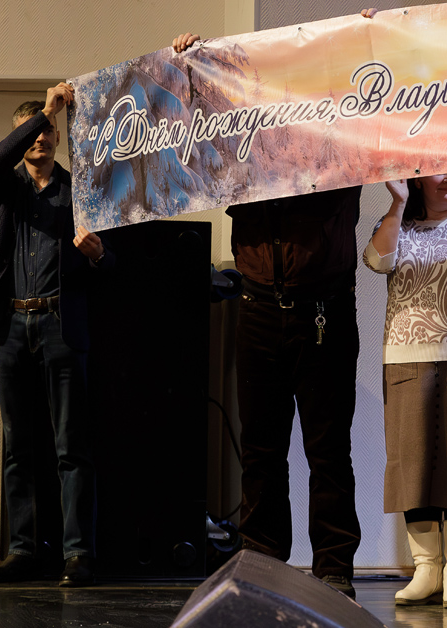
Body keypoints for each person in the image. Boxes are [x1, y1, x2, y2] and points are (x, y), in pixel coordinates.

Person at [171, 33, 362, 596]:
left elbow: (371, 107)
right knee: (260, 450)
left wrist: (369, 45)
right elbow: (191, 143)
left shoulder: (339, 145)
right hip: (257, 310)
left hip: (324, 313)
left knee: (328, 450)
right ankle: (261, 563)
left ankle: (333, 567)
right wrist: (193, 70)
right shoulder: (240, 147)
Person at [0, 83, 114, 587]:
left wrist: (99, 255)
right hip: (13, 326)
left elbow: (113, 265)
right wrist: (47, 110)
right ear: (20, 137)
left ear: (59, 139)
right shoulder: (8, 186)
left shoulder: (80, 192)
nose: (40, 137)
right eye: (31, 131)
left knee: (70, 446)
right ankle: (23, 550)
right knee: (18, 445)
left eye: (48, 130)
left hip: (61, 326)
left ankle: (78, 554)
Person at [362, 168, 447, 608]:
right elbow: (376, 261)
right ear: (418, 177)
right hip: (406, 354)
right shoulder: (397, 223)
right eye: (441, 170)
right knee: (412, 461)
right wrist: (397, 203)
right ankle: (426, 568)